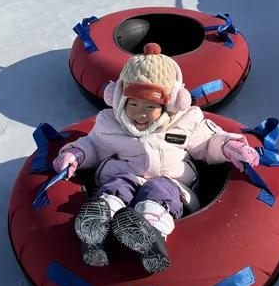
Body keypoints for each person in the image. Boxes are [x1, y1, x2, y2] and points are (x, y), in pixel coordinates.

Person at [52, 43, 260, 271]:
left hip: (170, 184)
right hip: (126, 176)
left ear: (171, 104)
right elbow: (94, 145)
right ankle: (100, 227)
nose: (140, 113)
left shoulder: (185, 123)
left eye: (150, 105)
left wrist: (231, 147)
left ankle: (150, 234)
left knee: (159, 190)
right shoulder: (110, 123)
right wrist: (76, 154)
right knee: (117, 187)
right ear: (119, 99)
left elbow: (209, 141)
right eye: (133, 104)